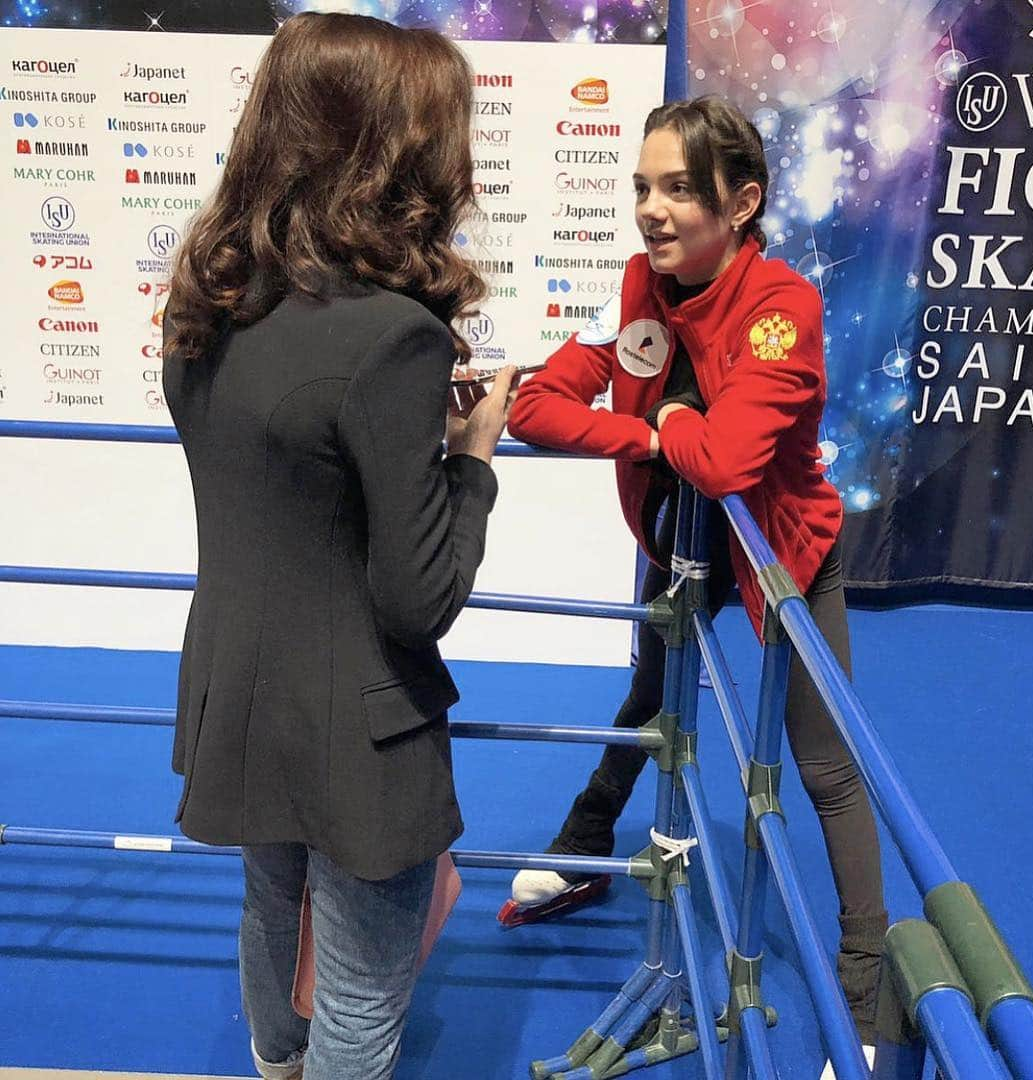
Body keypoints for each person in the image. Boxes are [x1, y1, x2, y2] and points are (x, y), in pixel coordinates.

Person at [162, 14, 515, 1079]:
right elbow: (420, 597)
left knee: (274, 911)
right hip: (359, 730)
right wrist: (475, 462)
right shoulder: (393, 335)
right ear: (394, 148)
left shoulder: (211, 300)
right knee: (363, 989)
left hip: (240, 686)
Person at [506, 96, 888, 1075]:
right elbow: (538, 405)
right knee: (648, 699)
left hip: (786, 556)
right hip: (683, 544)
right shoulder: (640, 284)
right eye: (643, 185)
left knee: (827, 770)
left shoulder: (781, 308)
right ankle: (585, 845)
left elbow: (723, 459)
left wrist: (676, 435)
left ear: (743, 200)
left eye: (679, 188)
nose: (652, 209)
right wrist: (648, 433)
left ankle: (866, 996)